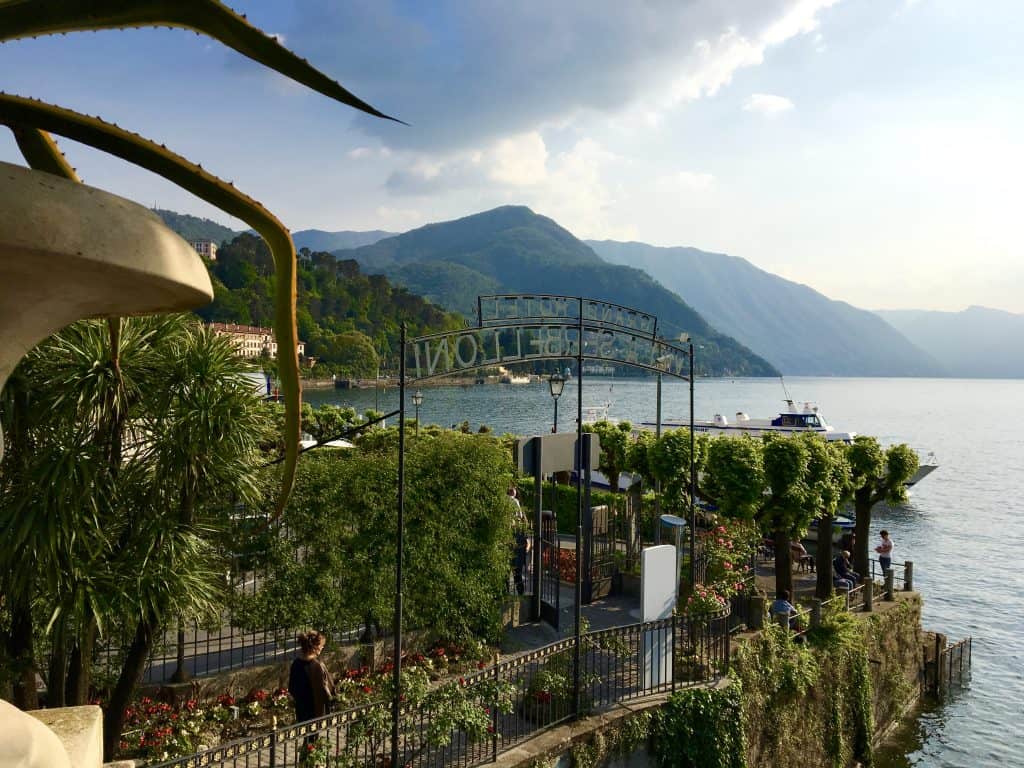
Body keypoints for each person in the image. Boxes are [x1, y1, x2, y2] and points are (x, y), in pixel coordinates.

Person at [288, 630, 335, 723]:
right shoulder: (318, 666)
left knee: (305, 733)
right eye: (321, 645)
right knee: (313, 735)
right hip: (316, 710)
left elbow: (291, 687)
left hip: (301, 708)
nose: (322, 647)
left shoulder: (296, 663)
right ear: (315, 647)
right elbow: (327, 688)